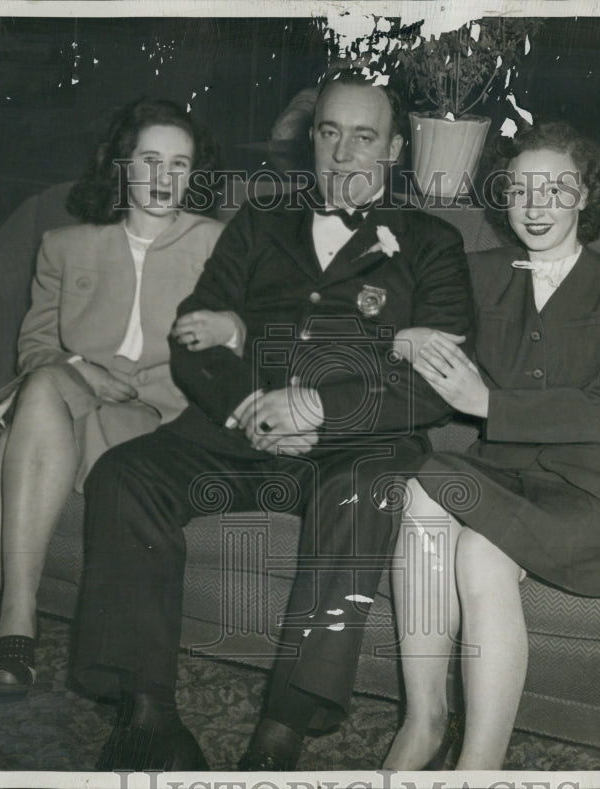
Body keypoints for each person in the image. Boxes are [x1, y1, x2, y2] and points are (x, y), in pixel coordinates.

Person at [71, 69, 474, 772]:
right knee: (123, 476)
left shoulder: (434, 243)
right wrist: (248, 407)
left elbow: (435, 384)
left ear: (394, 149)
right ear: (311, 139)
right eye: (329, 132)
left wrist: (321, 408)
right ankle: (147, 710)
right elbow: (193, 337)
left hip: (354, 445)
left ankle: (284, 726)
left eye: (364, 136)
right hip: (239, 430)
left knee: (367, 491)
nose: (343, 152)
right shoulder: (259, 220)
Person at [0, 98, 234, 714]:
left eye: (180, 164)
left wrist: (131, 381)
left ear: (195, 175)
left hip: (158, 421)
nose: (164, 178)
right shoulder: (66, 245)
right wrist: (82, 368)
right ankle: (13, 628)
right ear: (122, 166)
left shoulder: (216, 243)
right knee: (42, 388)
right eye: (150, 159)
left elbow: (223, 352)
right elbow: (37, 348)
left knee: (26, 430)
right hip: (71, 399)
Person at [382, 121, 600, 770]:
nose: (536, 206)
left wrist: (487, 403)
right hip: (500, 476)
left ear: (585, 197)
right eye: (520, 188)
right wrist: (401, 336)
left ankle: (476, 769)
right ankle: (424, 719)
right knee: (425, 480)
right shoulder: (476, 273)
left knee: (482, 547)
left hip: (589, 492)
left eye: (555, 189)